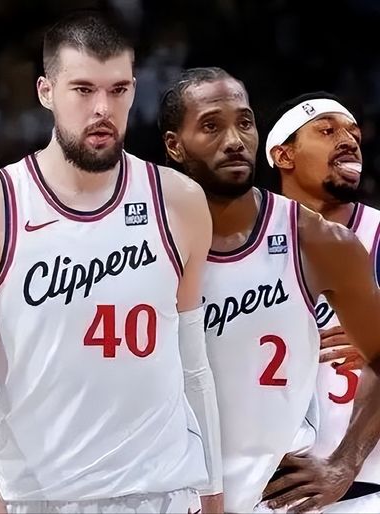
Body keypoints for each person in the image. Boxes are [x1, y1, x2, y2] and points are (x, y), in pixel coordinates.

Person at [0, 10, 224, 514]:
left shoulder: (180, 201)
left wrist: (214, 498)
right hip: (36, 497)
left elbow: (194, 366)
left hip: (165, 493)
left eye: (118, 90)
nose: (103, 108)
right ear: (46, 91)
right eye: (83, 90)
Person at [157, 67, 380, 513]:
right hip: (176, 489)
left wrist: (344, 462)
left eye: (244, 122)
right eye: (211, 126)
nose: (235, 140)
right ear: (174, 145)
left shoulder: (318, 241)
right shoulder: (143, 242)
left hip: (290, 492)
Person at [265, 92, 380, 513]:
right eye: (327, 131)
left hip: (364, 488)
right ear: (284, 155)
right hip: (260, 490)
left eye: (354, 134)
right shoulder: (239, 242)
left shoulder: (378, 232)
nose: (349, 141)